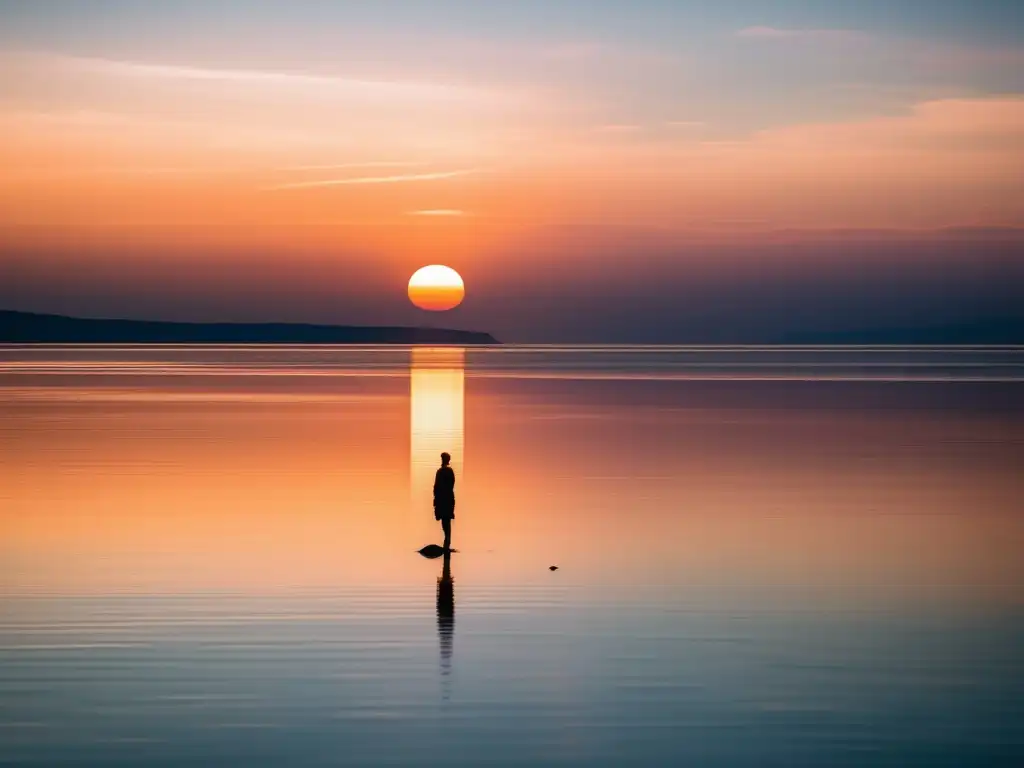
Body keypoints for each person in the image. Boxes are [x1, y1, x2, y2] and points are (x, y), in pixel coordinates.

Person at [433, 452, 456, 550]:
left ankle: (447, 541)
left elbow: (436, 487)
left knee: (444, 520)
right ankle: (447, 542)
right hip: (447, 498)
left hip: (443, 499)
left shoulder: (441, 471)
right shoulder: (447, 471)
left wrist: (436, 498)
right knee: (446, 520)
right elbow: (451, 485)